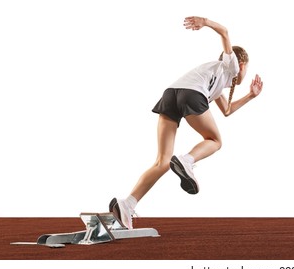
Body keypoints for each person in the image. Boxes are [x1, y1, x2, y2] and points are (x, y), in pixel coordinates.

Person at [109, 16, 263, 229]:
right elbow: (225, 32)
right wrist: (205, 22)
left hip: (171, 94)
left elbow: (226, 111)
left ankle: (127, 204)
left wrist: (250, 96)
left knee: (162, 161)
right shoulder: (231, 67)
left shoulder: (215, 79)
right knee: (215, 141)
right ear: (242, 64)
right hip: (191, 94)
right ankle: (187, 161)